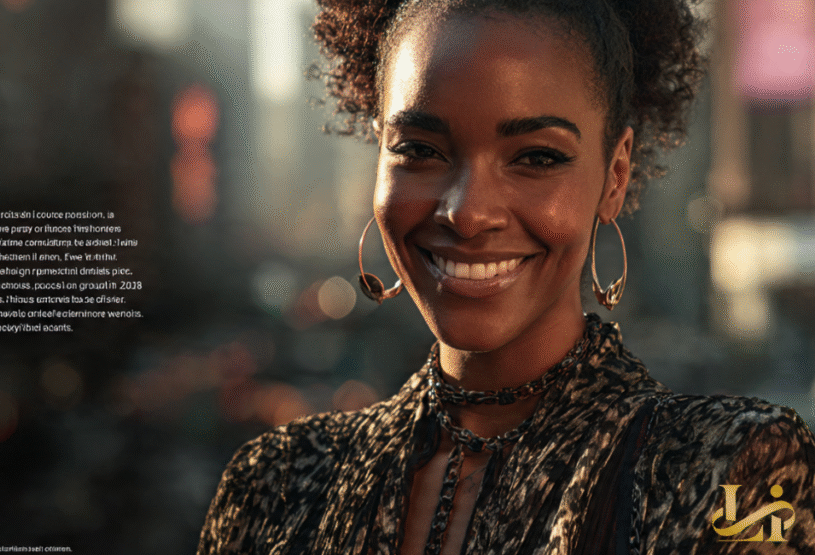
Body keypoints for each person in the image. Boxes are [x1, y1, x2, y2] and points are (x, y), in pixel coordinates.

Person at [198, 0, 815, 553]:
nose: (466, 213)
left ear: (616, 175)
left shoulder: (744, 473)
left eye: (536, 157)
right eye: (419, 149)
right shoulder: (272, 487)